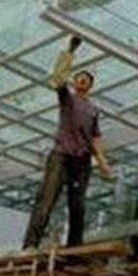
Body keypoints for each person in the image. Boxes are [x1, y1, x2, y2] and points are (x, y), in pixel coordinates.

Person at [21, 35, 112, 251]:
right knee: (46, 200)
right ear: (75, 82)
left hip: (81, 160)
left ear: (90, 86)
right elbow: (58, 79)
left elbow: (95, 137)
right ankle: (30, 244)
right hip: (61, 155)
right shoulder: (67, 99)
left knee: (78, 205)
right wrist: (70, 51)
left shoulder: (93, 110)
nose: (82, 80)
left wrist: (102, 162)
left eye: (86, 79)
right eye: (79, 77)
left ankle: (74, 248)